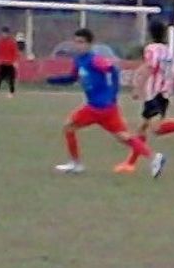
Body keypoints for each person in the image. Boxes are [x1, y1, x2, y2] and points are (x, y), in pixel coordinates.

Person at [47, 28, 166, 178]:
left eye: (81, 42)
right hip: (105, 108)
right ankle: (154, 157)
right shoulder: (79, 60)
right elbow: (72, 78)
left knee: (69, 127)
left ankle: (76, 164)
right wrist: (54, 80)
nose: (78, 45)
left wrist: (113, 94)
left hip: (98, 107)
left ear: (90, 44)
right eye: (76, 42)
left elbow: (112, 70)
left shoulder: (94, 59)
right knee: (123, 136)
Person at [114, 20, 174, 174]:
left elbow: (151, 67)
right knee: (143, 129)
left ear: (150, 33)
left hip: (154, 92)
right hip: (165, 91)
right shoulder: (168, 51)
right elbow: (168, 68)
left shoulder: (151, 49)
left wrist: (138, 88)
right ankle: (130, 164)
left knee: (154, 128)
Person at [0, 26, 19, 97]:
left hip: (10, 63)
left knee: (11, 78)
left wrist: (15, 61)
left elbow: (15, 52)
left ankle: (11, 92)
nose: (4, 35)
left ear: (8, 34)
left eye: (6, 33)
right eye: (3, 33)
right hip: (2, 63)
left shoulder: (12, 42)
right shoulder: (0, 42)